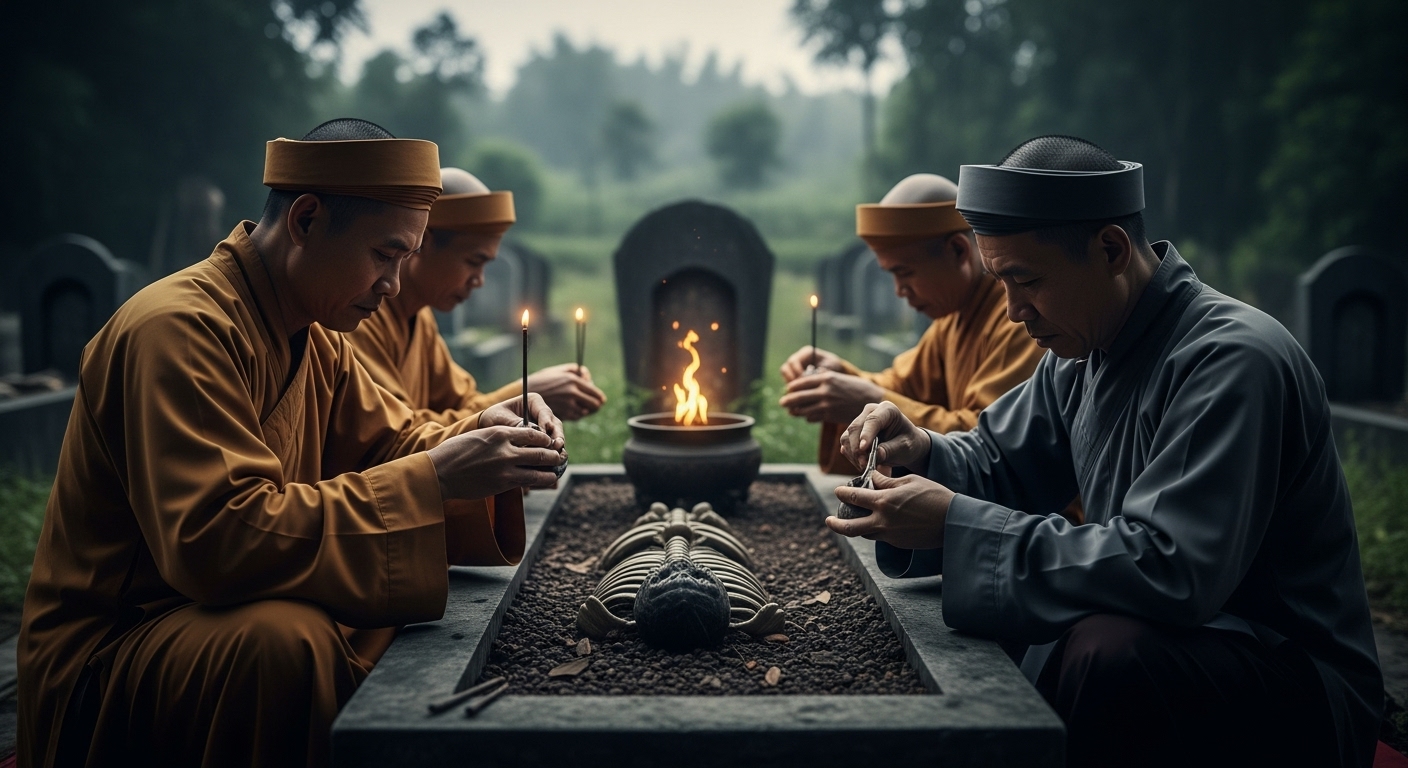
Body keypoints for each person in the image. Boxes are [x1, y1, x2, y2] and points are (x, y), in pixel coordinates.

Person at [17, 119, 567, 768]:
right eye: (384, 255)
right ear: (306, 220)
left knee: (401, 624)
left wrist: (486, 432)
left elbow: (392, 440)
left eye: (404, 261)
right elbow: (217, 539)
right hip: (120, 648)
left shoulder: (318, 333)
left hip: (224, 608)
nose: (393, 285)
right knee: (284, 643)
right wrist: (436, 477)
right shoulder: (179, 330)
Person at [827, 136, 1382, 767]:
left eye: (1026, 280)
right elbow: (999, 463)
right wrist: (921, 451)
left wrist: (954, 522)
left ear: (1112, 250)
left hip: (1289, 677)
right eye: (1000, 283)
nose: (1013, 312)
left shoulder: (1231, 359)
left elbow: (1171, 567)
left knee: (1106, 652)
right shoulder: (1082, 351)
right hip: (1181, 636)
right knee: (990, 620)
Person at [778, 174, 1043, 475]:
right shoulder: (954, 315)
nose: (899, 291)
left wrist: (867, 400)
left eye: (904, 273)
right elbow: (905, 386)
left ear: (958, 251)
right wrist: (838, 376)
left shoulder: (1021, 320)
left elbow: (985, 443)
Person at [346, 167, 606, 424]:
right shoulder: (360, 318)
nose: (479, 281)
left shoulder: (419, 318)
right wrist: (525, 394)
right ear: (422, 243)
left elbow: (463, 402)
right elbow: (398, 434)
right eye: (473, 261)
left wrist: (530, 395)